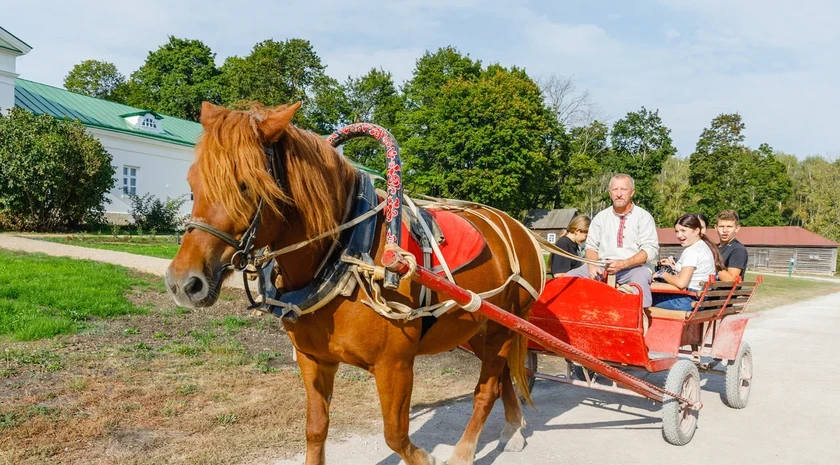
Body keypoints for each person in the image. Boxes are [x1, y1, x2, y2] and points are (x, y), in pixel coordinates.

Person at [565, 174, 659, 307]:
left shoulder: (643, 217)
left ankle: (636, 321)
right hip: (602, 267)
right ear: (610, 193)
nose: (619, 194)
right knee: (568, 280)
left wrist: (623, 263)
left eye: (624, 189)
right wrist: (592, 266)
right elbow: (591, 246)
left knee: (639, 285)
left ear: (632, 192)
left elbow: (650, 249)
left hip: (634, 268)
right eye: (615, 190)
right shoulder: (601, 217)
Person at [653, 214, 726, 310]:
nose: (679, 235)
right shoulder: (704, 247)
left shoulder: (692, 251)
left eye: (683, 231)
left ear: (696, 231)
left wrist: (661, 273)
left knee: (644, 297)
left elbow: (681, 283)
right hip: (698, 300)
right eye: (677, 231)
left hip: (687, 300)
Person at [715, 209, 748, 281]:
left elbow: (730, 280)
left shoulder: (738, 249)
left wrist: (711, 262)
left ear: (737, 228)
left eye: (729, 227)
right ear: (716, 228)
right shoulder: (714, 248)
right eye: (721, 226)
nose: (724, 230)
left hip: (723, 291)